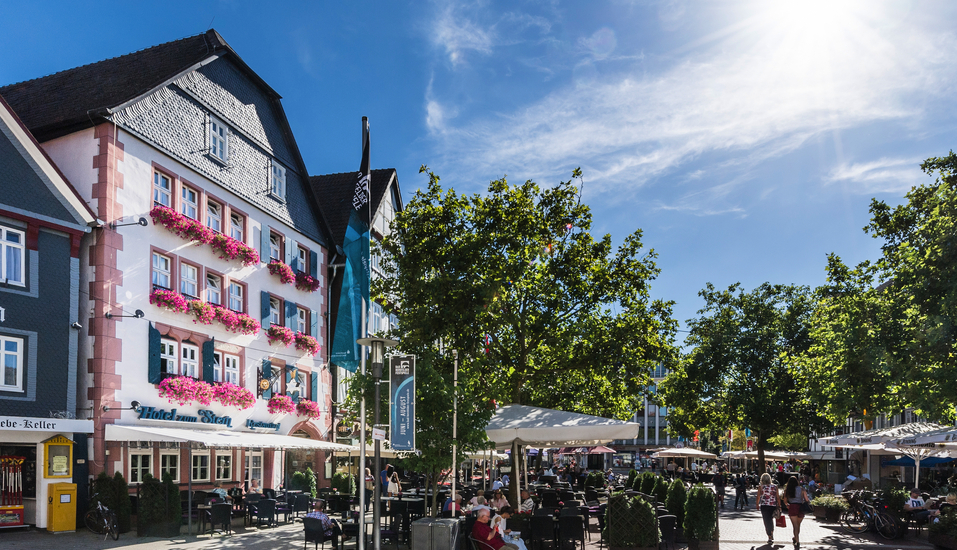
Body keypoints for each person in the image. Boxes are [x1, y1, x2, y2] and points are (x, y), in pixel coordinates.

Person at [785, 476, 810, 548]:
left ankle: (797, 539)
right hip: (800, 507)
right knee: (798, 525)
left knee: (795, 525)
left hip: (792, 507)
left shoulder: (788, 490)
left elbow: (785, 501)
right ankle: (796, 538)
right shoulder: (802, 489)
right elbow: (807, 500)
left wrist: (787, 505)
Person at [756, 473, 781, 546]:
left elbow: (758, 496)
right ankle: (771, 532)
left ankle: (769, 536)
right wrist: (779, 506)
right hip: (773, 505)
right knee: (770, 520)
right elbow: (777, 497)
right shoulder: (775, 486)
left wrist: (757, 504)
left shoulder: (761, 487)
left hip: (764, 505)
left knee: (766, 521)